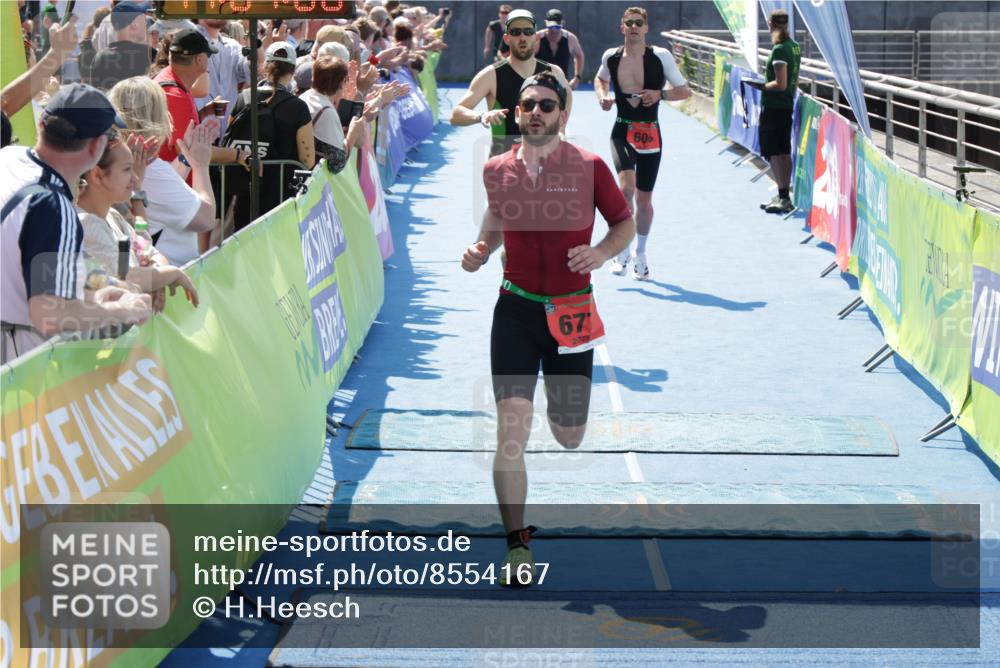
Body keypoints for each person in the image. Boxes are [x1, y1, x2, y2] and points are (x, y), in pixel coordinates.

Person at [461, 73, 635, 586]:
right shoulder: (497, 169)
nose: (535, 111)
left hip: (571, 315)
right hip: (514, 311)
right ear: (516, 114)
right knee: (510, 433)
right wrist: (480, 250)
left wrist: (601, 253)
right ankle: (516, 544)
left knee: (569, 435)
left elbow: (622, 223)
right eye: (527, 105)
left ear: (562, 115)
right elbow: (496, 221)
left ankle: (564, 420)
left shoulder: (588, 166)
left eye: (546, 105)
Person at [1, 83, 152, 364]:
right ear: (97, 145)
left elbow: (24, 263)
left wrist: (96, 293)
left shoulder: (8, 157)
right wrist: (124, 311)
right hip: (16, 362)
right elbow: (49, 314)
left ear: (41, 124)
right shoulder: (53, 206)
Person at [595, 6, 690, 281]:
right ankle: (621, 249)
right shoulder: (611, 57)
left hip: (650, 133)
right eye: (629, 23)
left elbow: (685, 91)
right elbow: (601, 79)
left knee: (644, 200)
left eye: (639, 23)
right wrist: (603, 96)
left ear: (646, 28)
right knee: (625, 191)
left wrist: (659, 94)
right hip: (622, 131)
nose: (634, 27)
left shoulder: (660, 56)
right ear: (622, 27)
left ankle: (641, 253)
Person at [76, 132, 200, 312]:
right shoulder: (87, 225)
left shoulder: (112, 215)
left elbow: (146, 246)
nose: (135, 179)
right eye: (127, 169)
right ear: (97, 175)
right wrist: (169, 274)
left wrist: (157, 275)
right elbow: (125, 279)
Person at [109, 76, 218, 266]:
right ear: (157, 115)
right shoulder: (148, 168)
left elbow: (161, 195)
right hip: (166, 279)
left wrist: (186, 157)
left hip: (151, 272)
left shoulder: (121, 160)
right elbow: (206, 219)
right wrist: (200, 165)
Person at [452, 9, 572, 157]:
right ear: (507, 39)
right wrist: (482, 115)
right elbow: (456, 114)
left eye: (528, 32)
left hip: (545, 160)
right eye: (515, 32)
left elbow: (568, 94)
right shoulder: (491, 75)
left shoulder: (554, 72)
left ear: (536, 37)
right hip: (503, 164)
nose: (522, 37)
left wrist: (561, 129)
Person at [227, 41, 315, 229]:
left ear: (265, 66)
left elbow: (230, 138)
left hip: (245, 189)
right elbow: (307, 160)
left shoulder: (244, 97)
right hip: (281, 195)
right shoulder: (298, 107)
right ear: (292, 71)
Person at [749, 9, 801, 214]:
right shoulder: (794, 46)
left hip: (776, 106)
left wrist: (760, 86)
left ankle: (784, 196)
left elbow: (781, 84)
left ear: (771, 24)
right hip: (784, 105)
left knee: (776, 151)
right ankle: (783, 194)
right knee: (781, 150)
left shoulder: (779, 49)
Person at [89, 1, 154, 91]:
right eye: (143, 21)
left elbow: (97, 95)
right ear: (134, 25)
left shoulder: (99, 57)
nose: (146, 25)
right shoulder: (150, 54)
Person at [534, 9, 584, 89]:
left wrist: (577, 78)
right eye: (551, 26)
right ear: (545, 23)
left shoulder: (570, 39)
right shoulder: (537, 38)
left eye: (557, 26)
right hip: (539, 85)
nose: (554, 30)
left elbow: (579, 56)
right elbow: (527, 59)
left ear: (562, 23)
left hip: (561, 85)